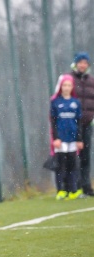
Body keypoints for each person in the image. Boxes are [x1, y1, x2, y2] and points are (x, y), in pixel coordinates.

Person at [50, 74, 83, 200]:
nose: (67, 87)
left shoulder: (76, 103)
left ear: (72, 87)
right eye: (65, 85)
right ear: (61, 87)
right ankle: (61, 190)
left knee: (72, 165)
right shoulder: (55, 102)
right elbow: (53, 122)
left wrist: (79, 139)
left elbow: (78, 122)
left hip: (72, 139)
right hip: (61, 139)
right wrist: (56, 138)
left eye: (69, 85)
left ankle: (73, 190)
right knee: (60, 165)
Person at [68, 52, 94, 196]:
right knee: (71, 156)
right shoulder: (68, 79)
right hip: (71, 124)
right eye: (80, 62)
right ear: (76, 63)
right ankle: (73, 187)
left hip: (86, 124)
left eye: (85, 62)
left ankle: (86, 187)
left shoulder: (91, 81)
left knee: (85, 156)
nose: (83, 65)